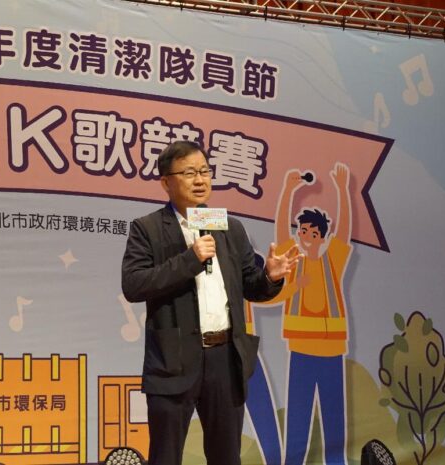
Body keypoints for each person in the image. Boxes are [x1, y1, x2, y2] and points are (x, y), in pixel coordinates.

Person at [121, 140, 302, 465]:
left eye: (204, 171)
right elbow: (134, 285)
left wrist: (270, 277)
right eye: (189, 173)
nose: (200, 180)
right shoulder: (148, 229)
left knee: (226, 456)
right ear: (166, 182)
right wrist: (190, 260)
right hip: (173, 360)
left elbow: (252, 287)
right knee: (165, 456)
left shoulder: (228, 226)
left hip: (225, 359)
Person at [269, 163, 353, 465]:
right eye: (302, 230)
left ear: (321, 237)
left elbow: (344, 232)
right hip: (301, 353)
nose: (306, 235)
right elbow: (281, 231)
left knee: (334, 424)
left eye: (313, 232)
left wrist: (342, 190)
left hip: (331, 354)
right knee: (298, 422)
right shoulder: (294, 260)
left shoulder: (332, 262)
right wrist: (288, 191)